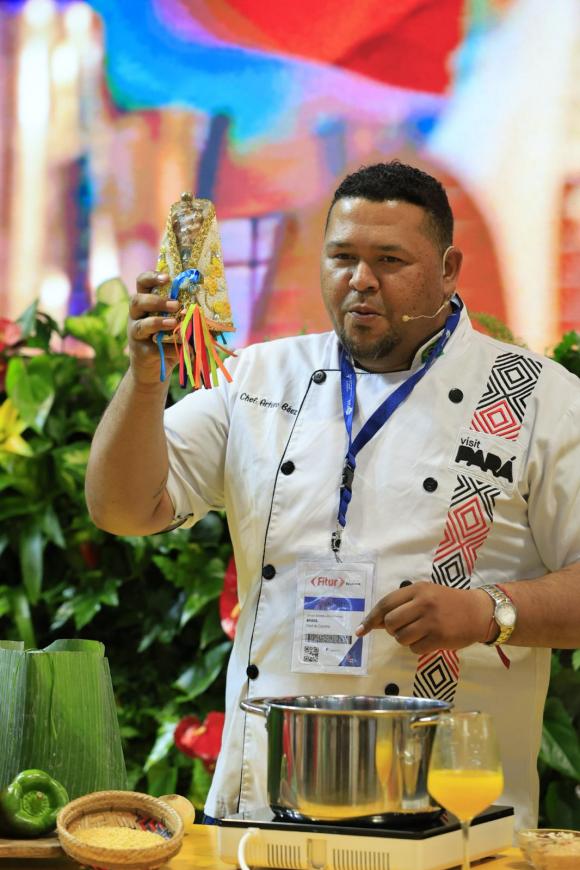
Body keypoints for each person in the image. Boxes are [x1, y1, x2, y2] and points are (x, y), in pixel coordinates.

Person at [86, 161, 580, 830]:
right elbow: (121, 508)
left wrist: (488, 611)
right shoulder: (260, 378)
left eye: (390, 260)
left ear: (449, 269)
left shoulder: (539, 399)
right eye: (343, 257)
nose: (361, 279)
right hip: (260, 809)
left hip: (448, 817)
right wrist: (146, 380)